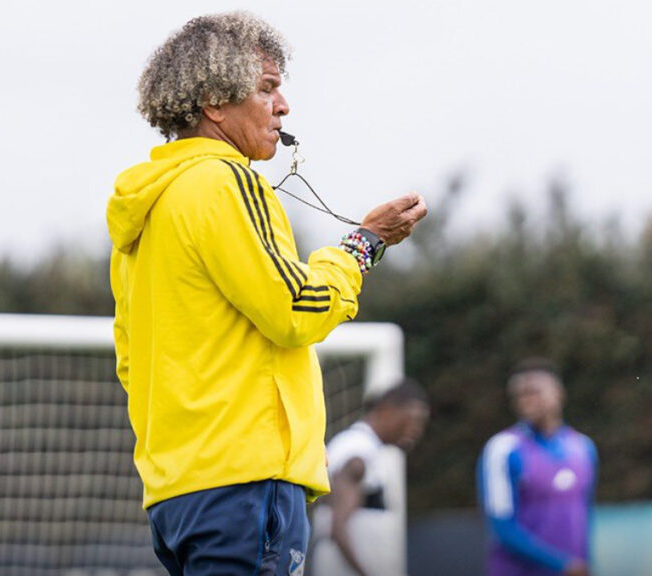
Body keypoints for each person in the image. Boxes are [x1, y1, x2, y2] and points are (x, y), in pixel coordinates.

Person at [107, 11, 428, 576]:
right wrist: (363, 245)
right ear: (213, 100)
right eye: (268, 88)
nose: (283, 107)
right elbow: (296, 310)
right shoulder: (227, 180)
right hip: (245, 485)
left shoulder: (145, 212)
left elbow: (132, 362)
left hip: (176, 492)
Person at [477, 358, 598, 576]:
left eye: (533, 392)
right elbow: (503, 529)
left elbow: (584, 517)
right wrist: (561, 565)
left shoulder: (583, 448)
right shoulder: (503, 449)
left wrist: (583, 563)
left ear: (558, 392)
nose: (525, 400)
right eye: (519, 395)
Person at [310, 380, 430, 576]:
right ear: (386, 410)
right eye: (412, 420)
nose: (416, 430)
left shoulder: (364, 448)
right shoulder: (358, 453)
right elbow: (338, 528)